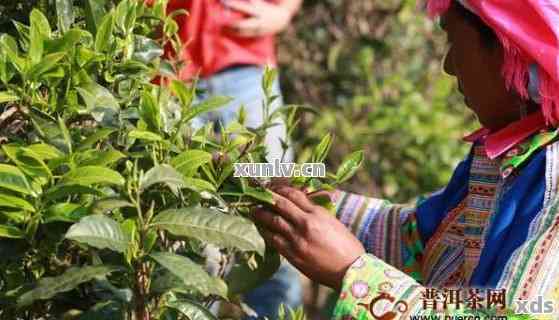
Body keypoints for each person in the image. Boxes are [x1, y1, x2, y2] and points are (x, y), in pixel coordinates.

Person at [253, 0, 559, 318]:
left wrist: (354, 274)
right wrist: (301, 196)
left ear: (511, 47)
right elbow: (417, 238)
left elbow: (519, 312)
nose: (448, 65)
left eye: (453, 40)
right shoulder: (509, 156)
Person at [151, 0, 304, 318]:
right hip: (165, 73)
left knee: (277, 205)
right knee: (187, 225)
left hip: (243, 64)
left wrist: (285, 10)